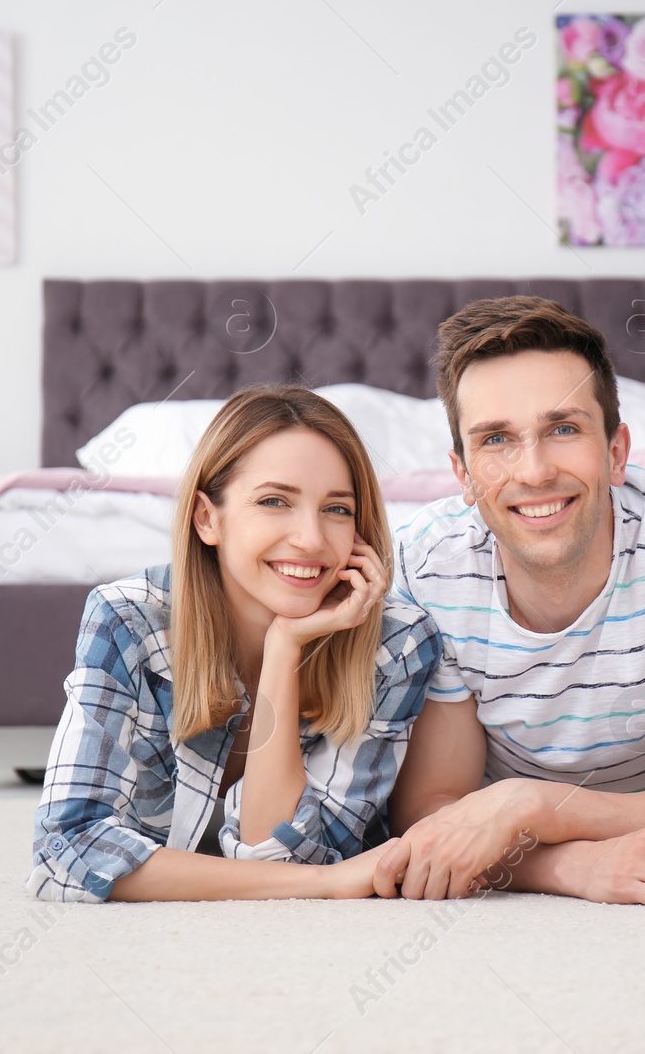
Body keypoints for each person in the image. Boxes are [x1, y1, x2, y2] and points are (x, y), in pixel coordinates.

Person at [380, 296, 645, 906]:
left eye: (564, 429)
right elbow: (430, 822)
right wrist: (567, 867)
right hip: (556, 832)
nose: (535, 471)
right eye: (496, 439)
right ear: (463, 474)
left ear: (616, 452)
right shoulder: (423, 563)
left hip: (619, 807)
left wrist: (533, 803)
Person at [28, 385, 440, 902]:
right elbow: (65, 852)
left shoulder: (396, 644)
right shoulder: (128, 619)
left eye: (337, 510)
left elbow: (287, 851)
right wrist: (324, 883)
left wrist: (285, 647)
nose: (312, 540)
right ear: (207, 518)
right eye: (274, 501)